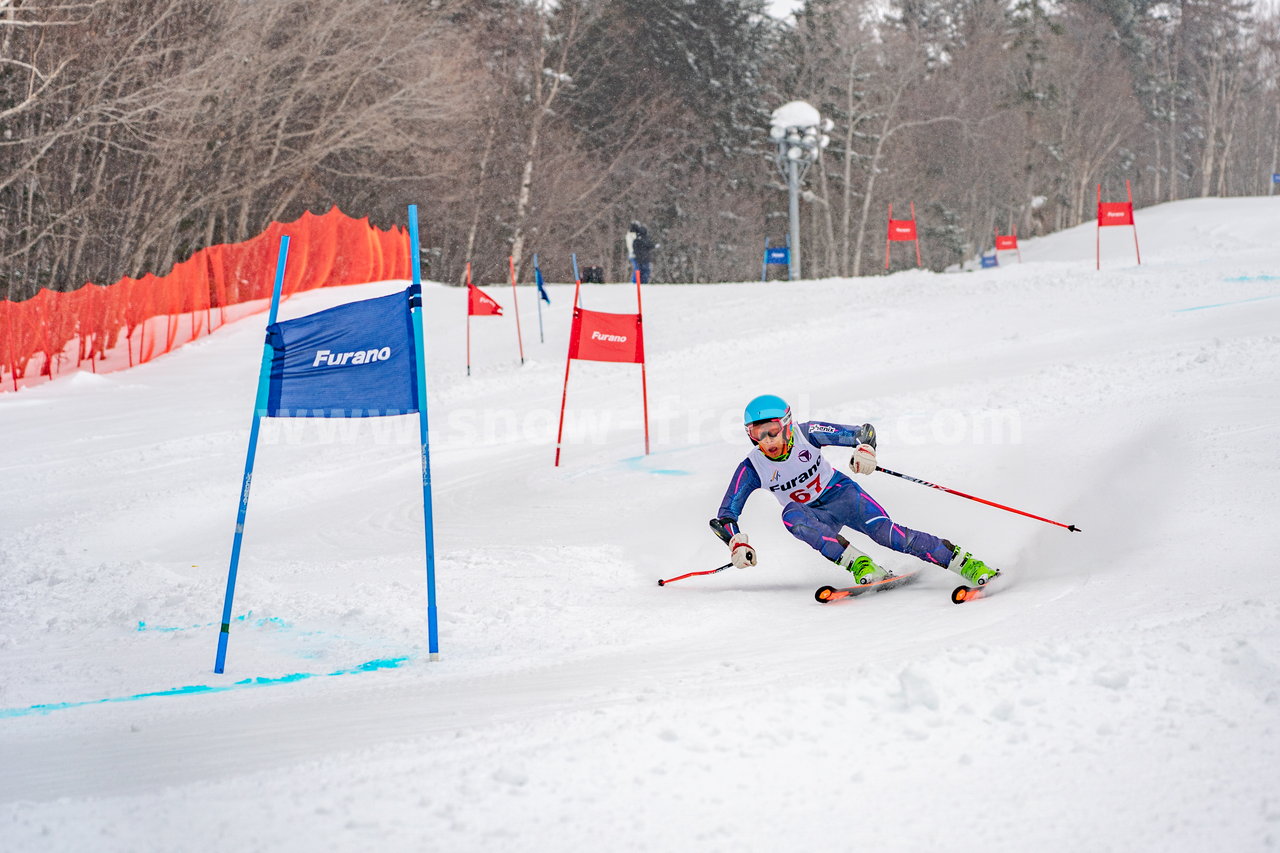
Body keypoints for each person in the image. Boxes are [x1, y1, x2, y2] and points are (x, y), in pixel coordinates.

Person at [711, 394, 998, 587]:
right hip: (811, 515)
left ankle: (966, 564)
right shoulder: (752, 467)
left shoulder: (808, 432)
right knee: (790, 515)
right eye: (756, 434)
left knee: (887, 535)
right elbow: (725, 516)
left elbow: (863, 432)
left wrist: (865, 449)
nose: (767, 440)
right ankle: (861, 565)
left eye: (772, 430)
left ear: (787, 425)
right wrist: (736, 541)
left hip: (842, 496)